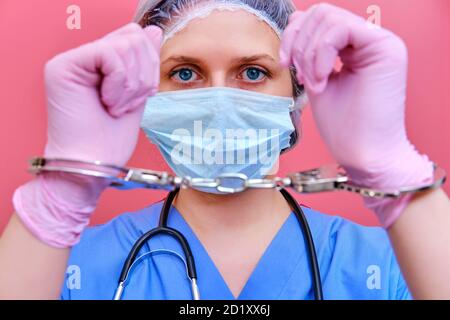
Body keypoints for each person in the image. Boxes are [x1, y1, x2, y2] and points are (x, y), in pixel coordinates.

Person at [1, 0, 449, 300]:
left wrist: (390, 169)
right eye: (184, 74)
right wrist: (61, 194)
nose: (219, 102)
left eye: (252, 73)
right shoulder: (63, 265)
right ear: (143, 93)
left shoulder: (388, 263)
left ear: (295, 93)